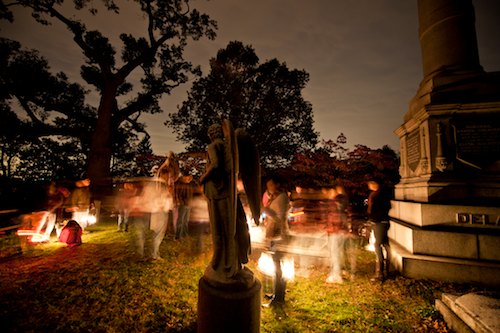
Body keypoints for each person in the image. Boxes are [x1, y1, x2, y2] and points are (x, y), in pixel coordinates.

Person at [199, 123, 252, 285]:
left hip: (216, 192)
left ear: (211, 134)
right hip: (226, 192)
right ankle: (230, 261)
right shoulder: (228, 147)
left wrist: (203, 178)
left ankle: (220, 261)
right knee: (229, 227)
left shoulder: (213, 146)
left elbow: (215, 165)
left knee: (219, 227)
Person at [262, 176, 290, 306]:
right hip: (273, 236)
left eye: (271, 185)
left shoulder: (282, 197)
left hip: (278, 237)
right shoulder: (275, 197)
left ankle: (279, 297)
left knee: (278, 266)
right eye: (268, 186)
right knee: (275, 265)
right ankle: (276, 294)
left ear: (277, 184)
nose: (269, 188)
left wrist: (267, 211)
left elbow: (281, 217)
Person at [367, 178, 392, 281]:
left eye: (370, 184)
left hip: (379, 222)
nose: (369, 187)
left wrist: (372, 219)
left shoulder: (376, 195)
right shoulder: (384, 194)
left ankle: (380, 273)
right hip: (384, 221)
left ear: (374, 184)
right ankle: (387, 270)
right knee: (385, 244)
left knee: (378, 244)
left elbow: (373, 209)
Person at [323, 187, 346, 284]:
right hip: (337, 231)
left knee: (334, 254)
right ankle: (336, 273)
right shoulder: (338, 202)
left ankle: (336, 275)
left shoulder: (333, 203)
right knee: (336, 253)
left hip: (334, 231)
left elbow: (334, 217)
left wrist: (331, 227)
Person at [174, 175, 193, 239]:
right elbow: (179, 195)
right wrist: (181, 202)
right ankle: (178, 236)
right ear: (184, 177)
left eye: (190, 177)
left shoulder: (189, 185)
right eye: (187, 177)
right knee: (180, 220)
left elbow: (190, 195)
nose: (189, 179)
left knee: (186, 221)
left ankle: (185, 235)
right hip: (183, 205)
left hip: (188, 205)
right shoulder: (181, 184)